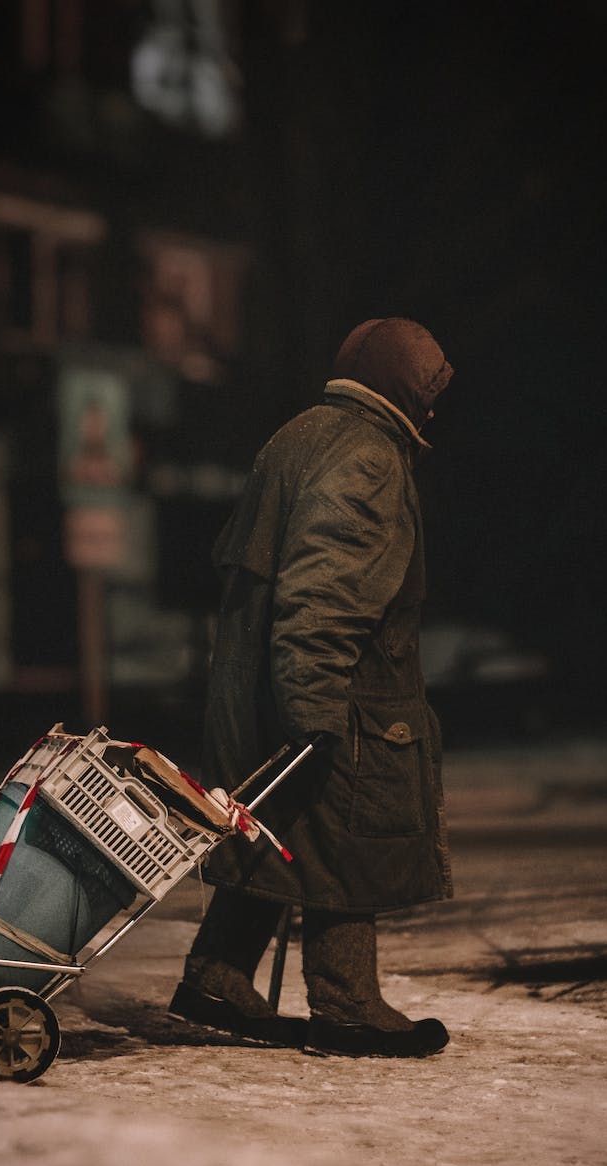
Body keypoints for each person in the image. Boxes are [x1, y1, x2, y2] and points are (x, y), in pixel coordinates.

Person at [169, 318, 455, 1058]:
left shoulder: (299, 435)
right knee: (343, 845)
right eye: (430, 393)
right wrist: (316, 708)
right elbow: (324, 597)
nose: (434, 410)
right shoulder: (368, 457)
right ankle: (347, 1003)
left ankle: (218, 976)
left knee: (281, 834)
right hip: (332, 696)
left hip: (257, 687)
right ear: (406, 390)